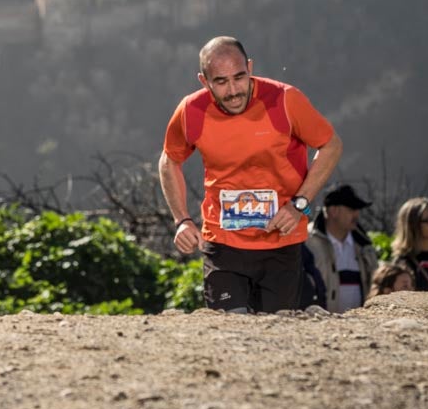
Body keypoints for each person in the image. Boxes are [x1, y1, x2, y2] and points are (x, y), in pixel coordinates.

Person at [160, 36, 344, 314]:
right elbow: (169, 161)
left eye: (239, 77)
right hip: (223, 243)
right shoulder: (191, 110)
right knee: (230, 329)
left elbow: (331, 145)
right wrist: (182, 220)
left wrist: (299, 205)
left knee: (273, 334)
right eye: (221, 82)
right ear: (204, 81)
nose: (233, 91)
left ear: (250, 67)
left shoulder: (284, 99)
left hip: (280, 241)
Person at [305, 183, 380, 313]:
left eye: (358, 209)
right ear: (333, 211)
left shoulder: (364, 245)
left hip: (360, 324)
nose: (357, 214)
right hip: (317, 324)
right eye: (352, 209)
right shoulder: (307, 242)